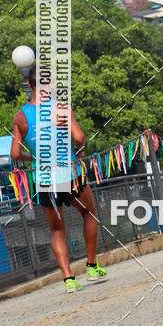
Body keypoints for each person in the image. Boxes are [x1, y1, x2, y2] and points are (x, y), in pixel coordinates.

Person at [10, 65, 107, 293]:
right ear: (50, 84)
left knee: (56, 230)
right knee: (89, 212)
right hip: (69, 174)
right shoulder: (60, 108)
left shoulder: (20, 116)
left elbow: (14, 154)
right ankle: (91, 266)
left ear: (29, 85)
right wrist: (79, 151)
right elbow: (79, 136)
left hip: (43, 179)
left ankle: (68, 279)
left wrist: (31, 157)